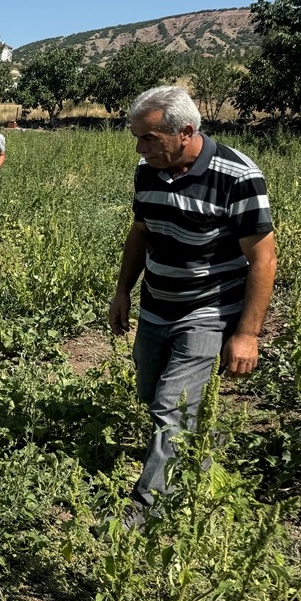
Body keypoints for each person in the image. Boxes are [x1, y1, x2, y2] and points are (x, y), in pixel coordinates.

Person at [109, 86, 275, 522]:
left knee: (171, 402)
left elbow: (263, 259)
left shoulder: (236, 176)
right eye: (137, 139)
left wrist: (246, 333)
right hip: (156, 304)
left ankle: (144, 512)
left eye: (150, 139)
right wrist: (123, 290)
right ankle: (196, 460)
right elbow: (140, 233)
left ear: (185, 132)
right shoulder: (148, 171)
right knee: (152, 394)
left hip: (209, 308)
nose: (142, 149)